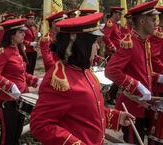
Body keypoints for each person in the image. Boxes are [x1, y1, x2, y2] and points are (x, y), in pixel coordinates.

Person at [30, 12, 135, 145]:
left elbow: (88, 112)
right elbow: (40, 125)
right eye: (94, 43)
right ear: (81, 46)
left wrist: (116, 118)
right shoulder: (59, 79)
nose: (97, 47)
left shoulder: (85, 71)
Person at [105, 0, 163, 144]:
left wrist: (161, 78)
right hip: (130, 107)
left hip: (143, 105)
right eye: (153, 20)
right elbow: (111, 71)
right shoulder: (129, 43)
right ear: (142, 21)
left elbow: (143, 72)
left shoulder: (144, 43)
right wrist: (136, 85)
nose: (156, 24)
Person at [0, 18, 41, 145]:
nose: (24, 34)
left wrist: (36, 81)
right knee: (8, 138)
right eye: (20, 32)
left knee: (16, 136)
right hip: (6, 101)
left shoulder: (17, 50)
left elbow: (21, 74)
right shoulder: (3, 52)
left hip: (20, 99)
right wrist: (10, 86)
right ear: (11, 35)